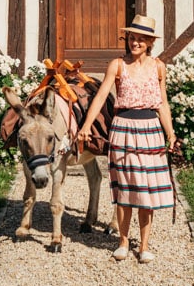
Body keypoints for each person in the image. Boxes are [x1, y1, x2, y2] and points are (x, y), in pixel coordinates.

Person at [76, 14, 177, 264]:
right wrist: (86, 125)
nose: (135, 43)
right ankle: (122, 242)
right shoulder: (117, 65)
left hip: (151, 129)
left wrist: (171, 133)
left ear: (150, 43)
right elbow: (100, 97)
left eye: (141, 39)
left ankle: (143, 246)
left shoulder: (159, 67)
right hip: (122, 128)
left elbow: (162, 103)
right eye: (132, 38)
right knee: (124, 188)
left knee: (146, 190)